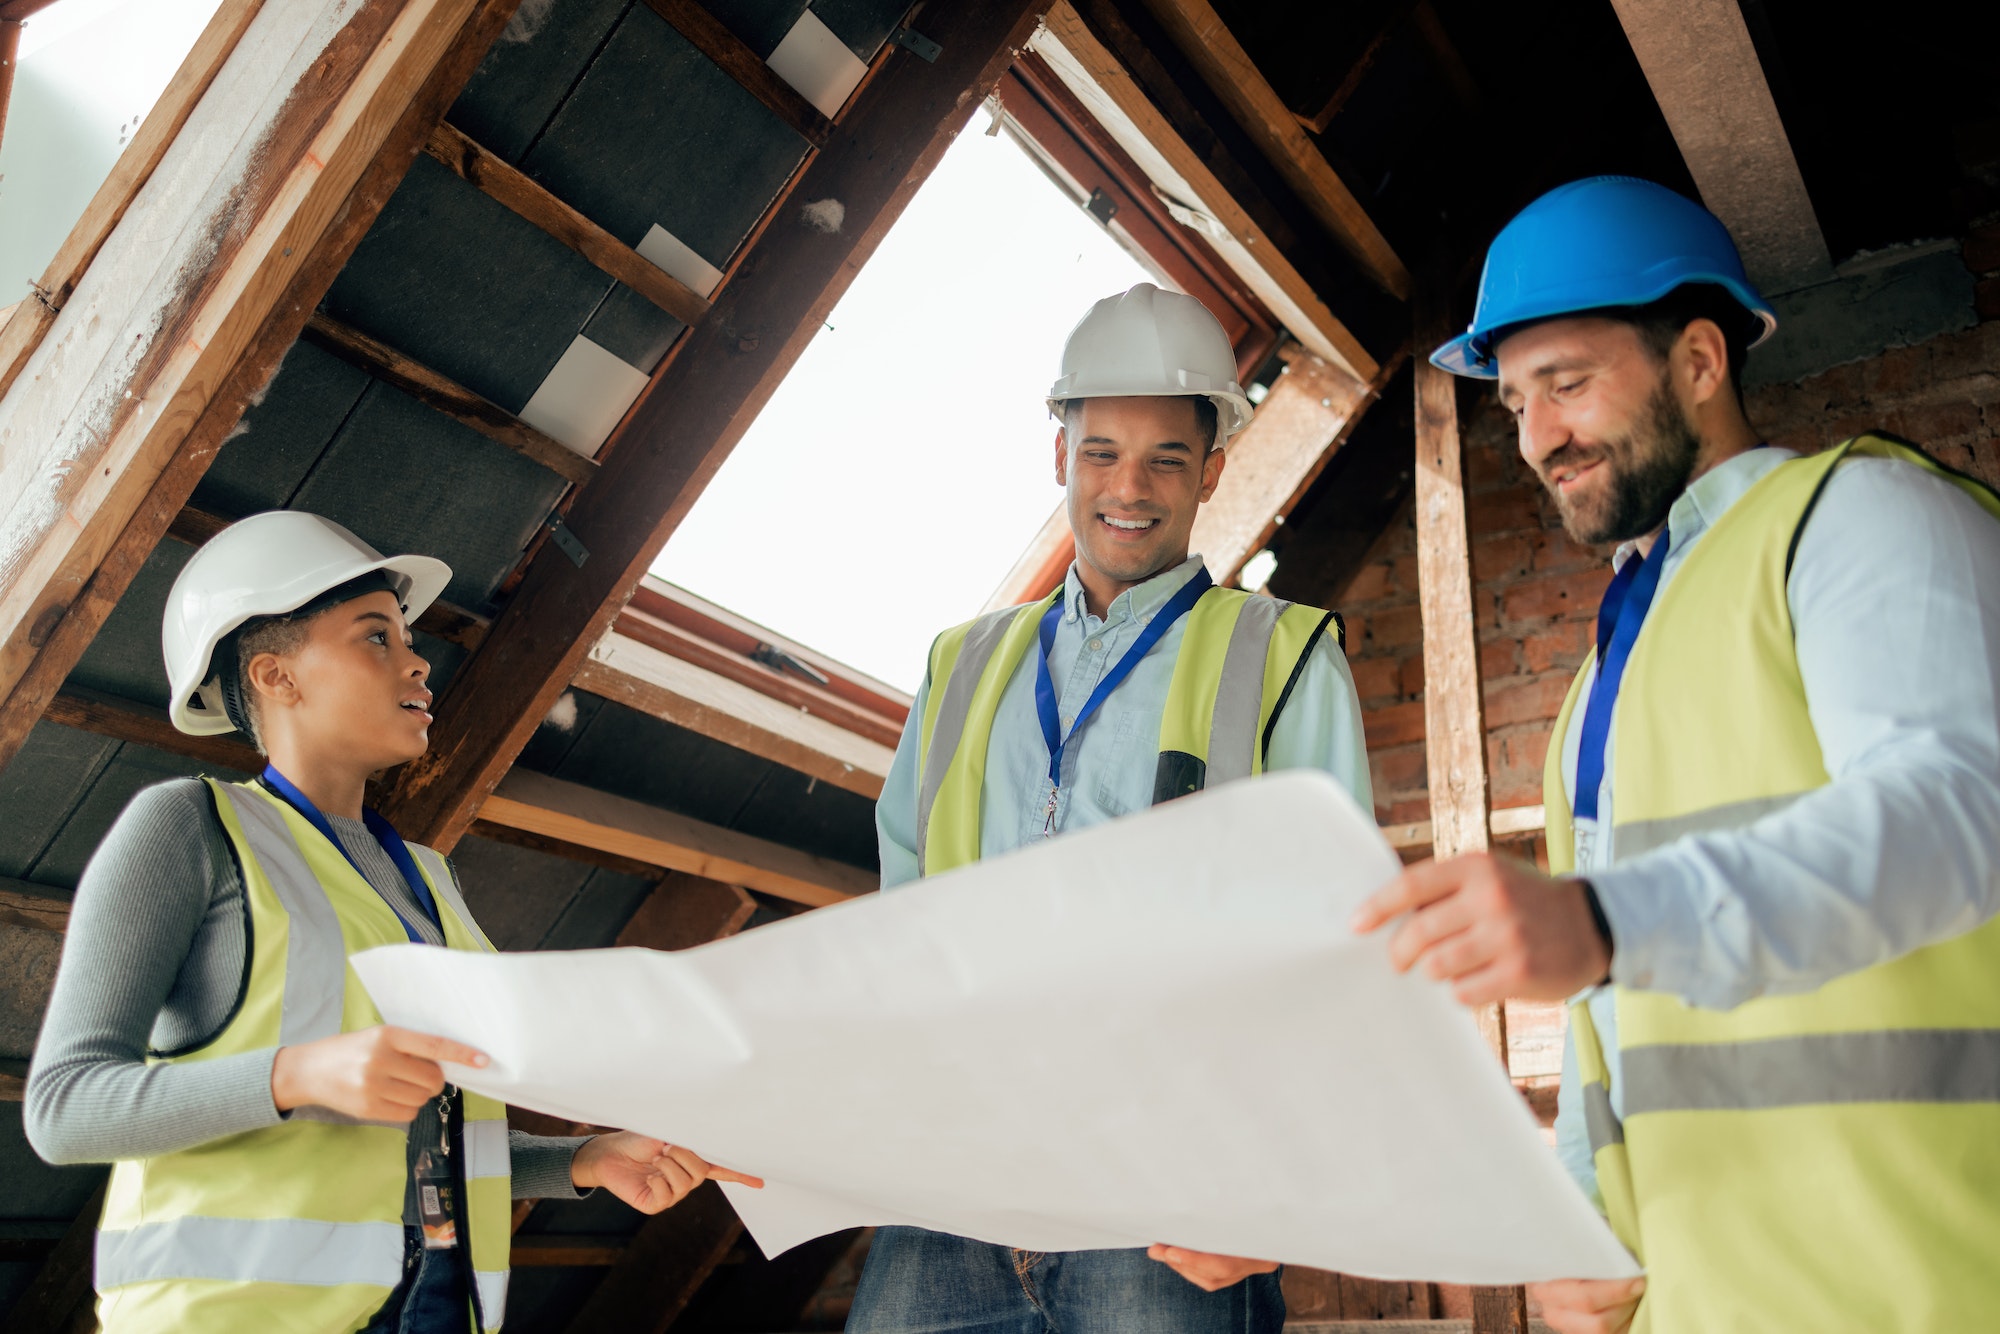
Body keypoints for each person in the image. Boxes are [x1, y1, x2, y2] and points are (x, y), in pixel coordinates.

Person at [1349, 176, 2000, 1332]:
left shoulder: (1860, 515)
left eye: (1566, 384)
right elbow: (1611, 1018)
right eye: (1511, 405)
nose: (1537, 437)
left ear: (1698, 361)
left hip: (1917, 1284)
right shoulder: (1605, 674)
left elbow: (1956, 816)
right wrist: (1584, 1215)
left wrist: (1604, 919)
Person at [25, 511, 761, 1333]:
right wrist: (294, 1076)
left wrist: (577, 1163)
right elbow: (64, 1108)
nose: (418, 662)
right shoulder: (189, 827)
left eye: (408, 639)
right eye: (376, 637)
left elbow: (412, 1141)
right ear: (276, 676)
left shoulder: (426, 880)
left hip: (432, 1307)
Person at [848, 283, 1373, 1334]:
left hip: (1168, 1190)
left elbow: (1339, 939)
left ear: (1210, 471)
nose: (1126, 486)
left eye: (1164, 458)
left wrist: (1282, 1186)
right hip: (955, 1184)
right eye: (1100, 452)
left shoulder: (1279, 655)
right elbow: (902, 913)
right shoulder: (959, 664)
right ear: (1059, 455)